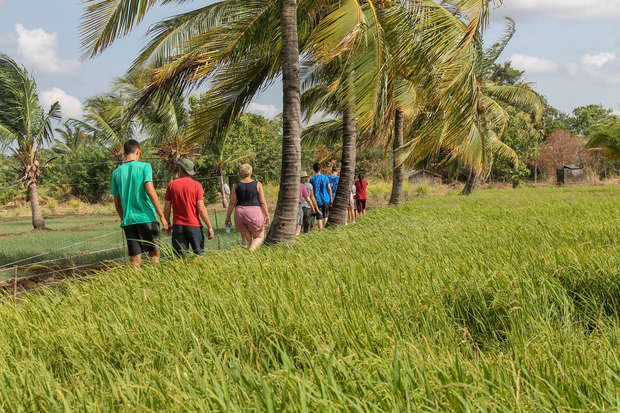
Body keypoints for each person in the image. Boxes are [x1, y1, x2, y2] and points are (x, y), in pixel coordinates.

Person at [111, 139, 168, 269]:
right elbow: (150, 191)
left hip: (129, 220)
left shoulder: (116, 173)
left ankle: (135, 286)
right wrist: (162, 216)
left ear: (125, 153)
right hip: (146, 217)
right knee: (154, 254)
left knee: (135, 260)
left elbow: (117, 202)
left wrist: (123, 218)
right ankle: (155, 281)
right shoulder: (145, 167)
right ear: (138, 152)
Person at [164, 158, 215, 257]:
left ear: (180, 169)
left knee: (180, 258)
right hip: (194, 226)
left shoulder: (171, 185)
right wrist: (209, 226)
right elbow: (201, 208)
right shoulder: (197, 185)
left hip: (178, 227)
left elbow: (167, 208)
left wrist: (167, 223)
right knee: (199, 255)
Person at [225, 164, 270, 251]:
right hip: (254, 213)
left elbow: (232, 202)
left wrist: (228, 216)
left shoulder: (236, 185)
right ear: (251, 172)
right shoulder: (258, 184)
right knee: (260, 237)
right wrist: (267, 215)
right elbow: (263, 202)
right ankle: (251, 252)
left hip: (239, 213)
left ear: (241, 173)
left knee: (248, 240)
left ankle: (248, 258)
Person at [309, 162, 332, 230]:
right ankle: (325, 231)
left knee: (319, 217)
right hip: (326, 199)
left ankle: (321, 231)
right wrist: (331, 199)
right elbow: (329, 189)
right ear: (320, 169)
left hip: (317, 200)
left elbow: (311, 191)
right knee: (326, 216)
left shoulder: (312, 179)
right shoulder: (325, 177)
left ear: (313, 169)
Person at [297, 171, 320, 235]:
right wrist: (314, 207)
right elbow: (311, 197)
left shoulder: (295, 185)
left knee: (299, 224)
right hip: (307, 207)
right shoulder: (309, 185)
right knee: (306, 225)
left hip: (299, 206)